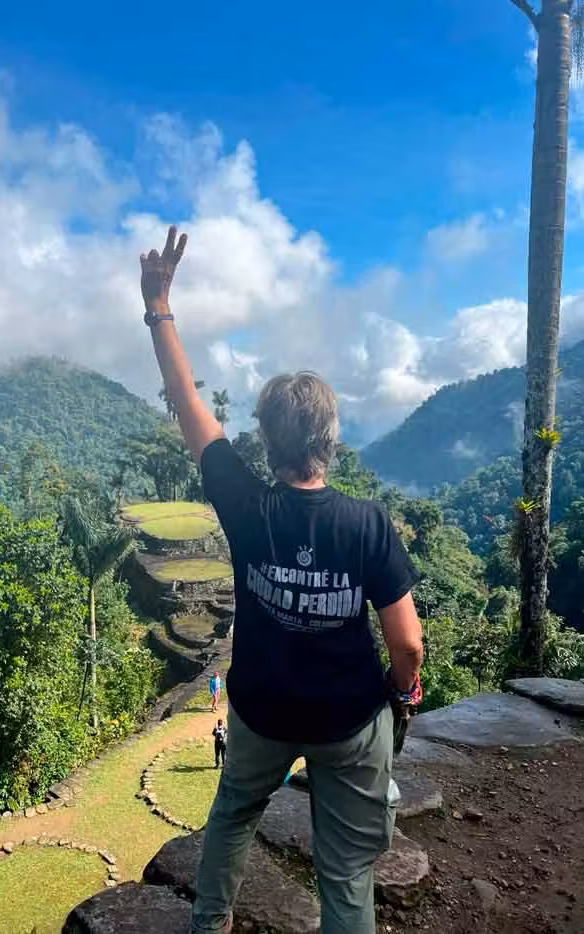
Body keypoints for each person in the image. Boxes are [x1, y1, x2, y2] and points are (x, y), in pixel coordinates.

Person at [140, 227, 424, 934]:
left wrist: (159, 308)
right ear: (331, 440)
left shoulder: (245, 502)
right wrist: (400, 693)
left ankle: (211, 923)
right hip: (347, 720)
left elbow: (188, 405)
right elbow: (409, 646)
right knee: (347, 874)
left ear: (265, 441)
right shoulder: (367, 524)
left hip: (262, 712)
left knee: (233, 814)